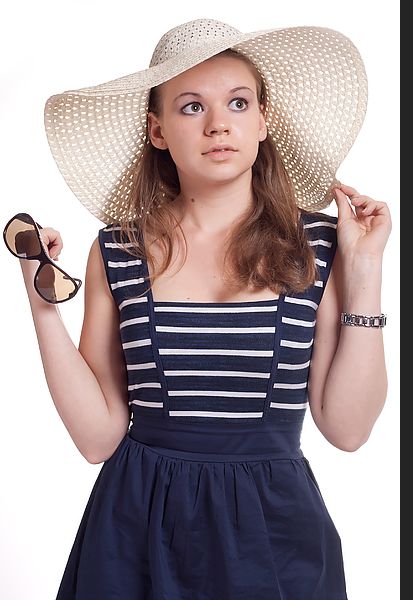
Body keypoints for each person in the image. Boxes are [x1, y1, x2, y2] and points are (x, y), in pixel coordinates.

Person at [19, 18, 391, 600]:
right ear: (158, 131)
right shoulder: (117, 251)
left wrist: (364, 271)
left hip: (275, 535)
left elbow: (347, 429)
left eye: (238, 103)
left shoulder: (318, 246)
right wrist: (44, 308)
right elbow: (97, 439)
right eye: (191, 107)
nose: (219, 123)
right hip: (135, 532)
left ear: (263, 121)